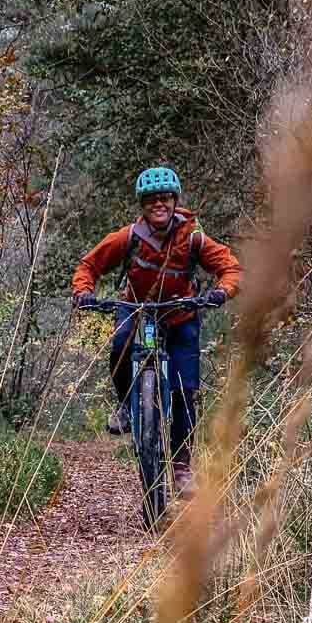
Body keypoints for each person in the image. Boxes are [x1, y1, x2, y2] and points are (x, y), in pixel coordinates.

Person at [71, 166, 241, 491]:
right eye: (151, 200)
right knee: (121, 342)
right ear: (142, 205)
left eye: (165, 198)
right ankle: (125, 405)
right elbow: (88, 265)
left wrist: (222, 291)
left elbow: (230, 266)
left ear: (175, 201)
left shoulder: (192, 239)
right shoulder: (129, 238)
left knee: (184, 390)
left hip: (180, 315)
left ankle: (180, 467)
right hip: (136, 308)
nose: (159, 205)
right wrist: (83, 292)